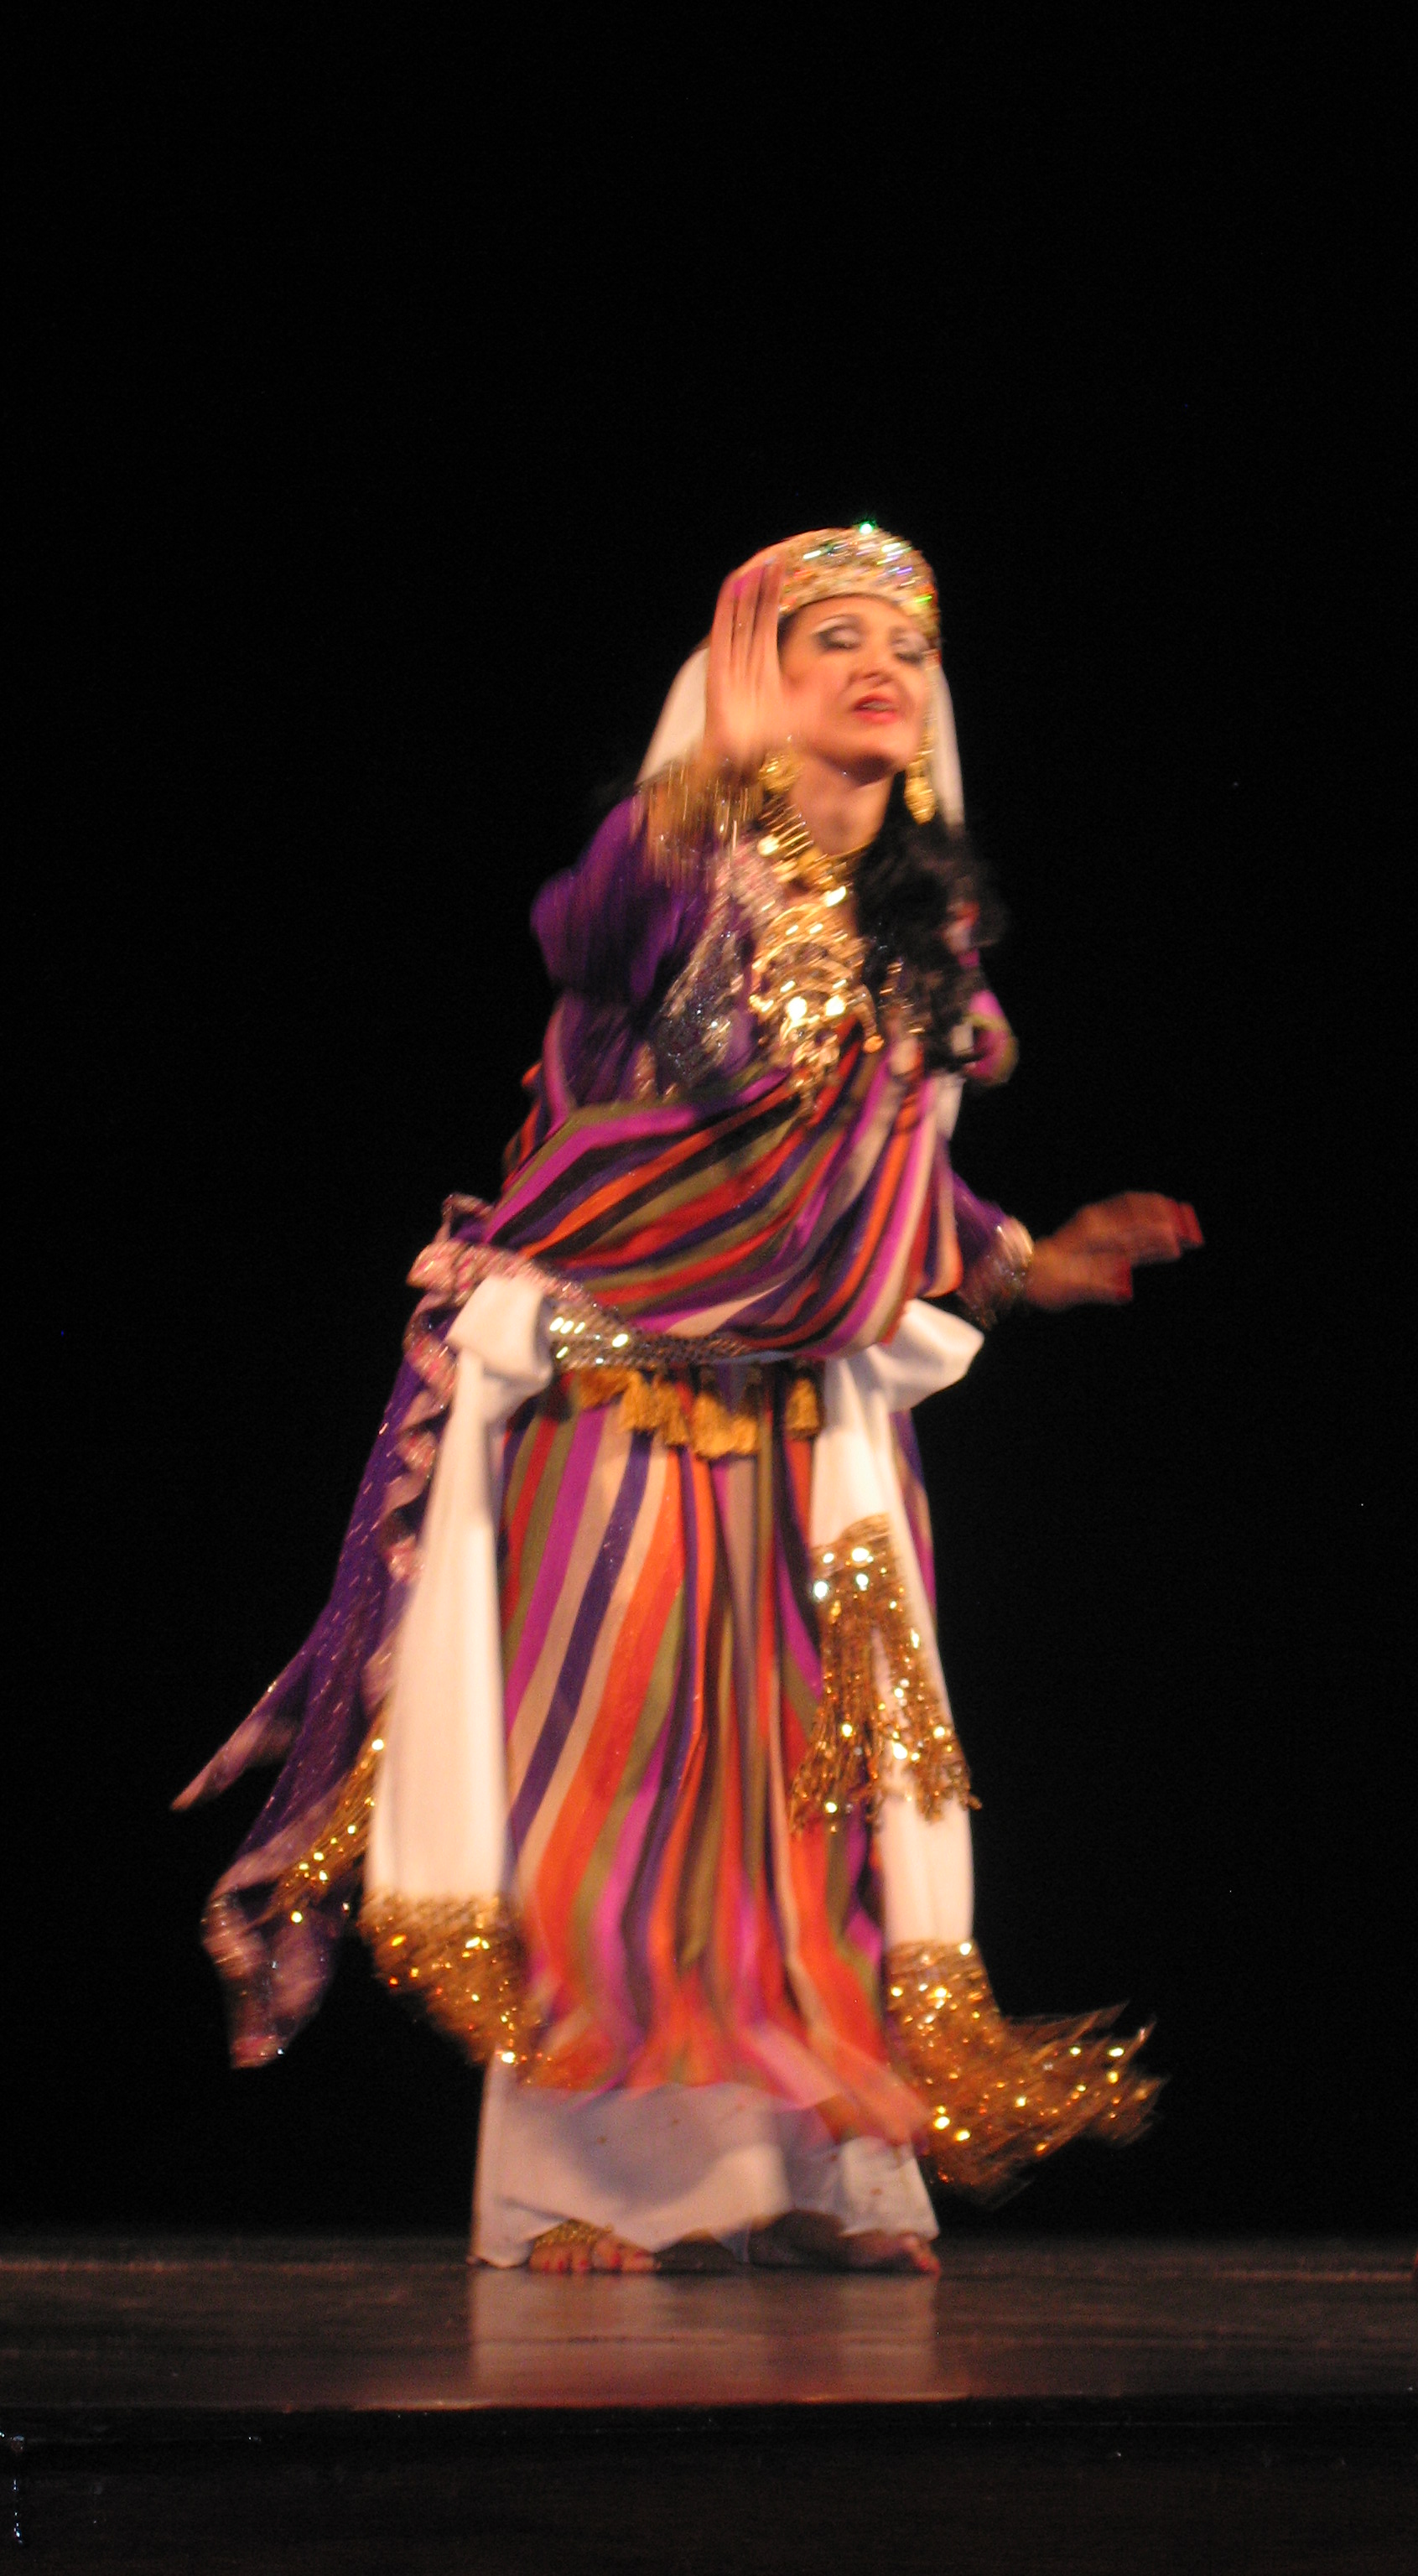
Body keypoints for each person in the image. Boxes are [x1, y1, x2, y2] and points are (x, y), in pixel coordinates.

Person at [180, 527, 1201, 2275]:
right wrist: (709, 793)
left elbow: (872, 1173)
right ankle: (588, 2192)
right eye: (834, 640)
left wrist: (1026, 1260)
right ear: (749, 678)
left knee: (822, 1803)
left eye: (906, 645)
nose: (882, 667)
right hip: (620, 1402)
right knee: (623, 1787)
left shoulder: (928, 927)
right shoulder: (672, 874)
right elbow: (582, 938)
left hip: (807, 1428)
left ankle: (815, 2184)